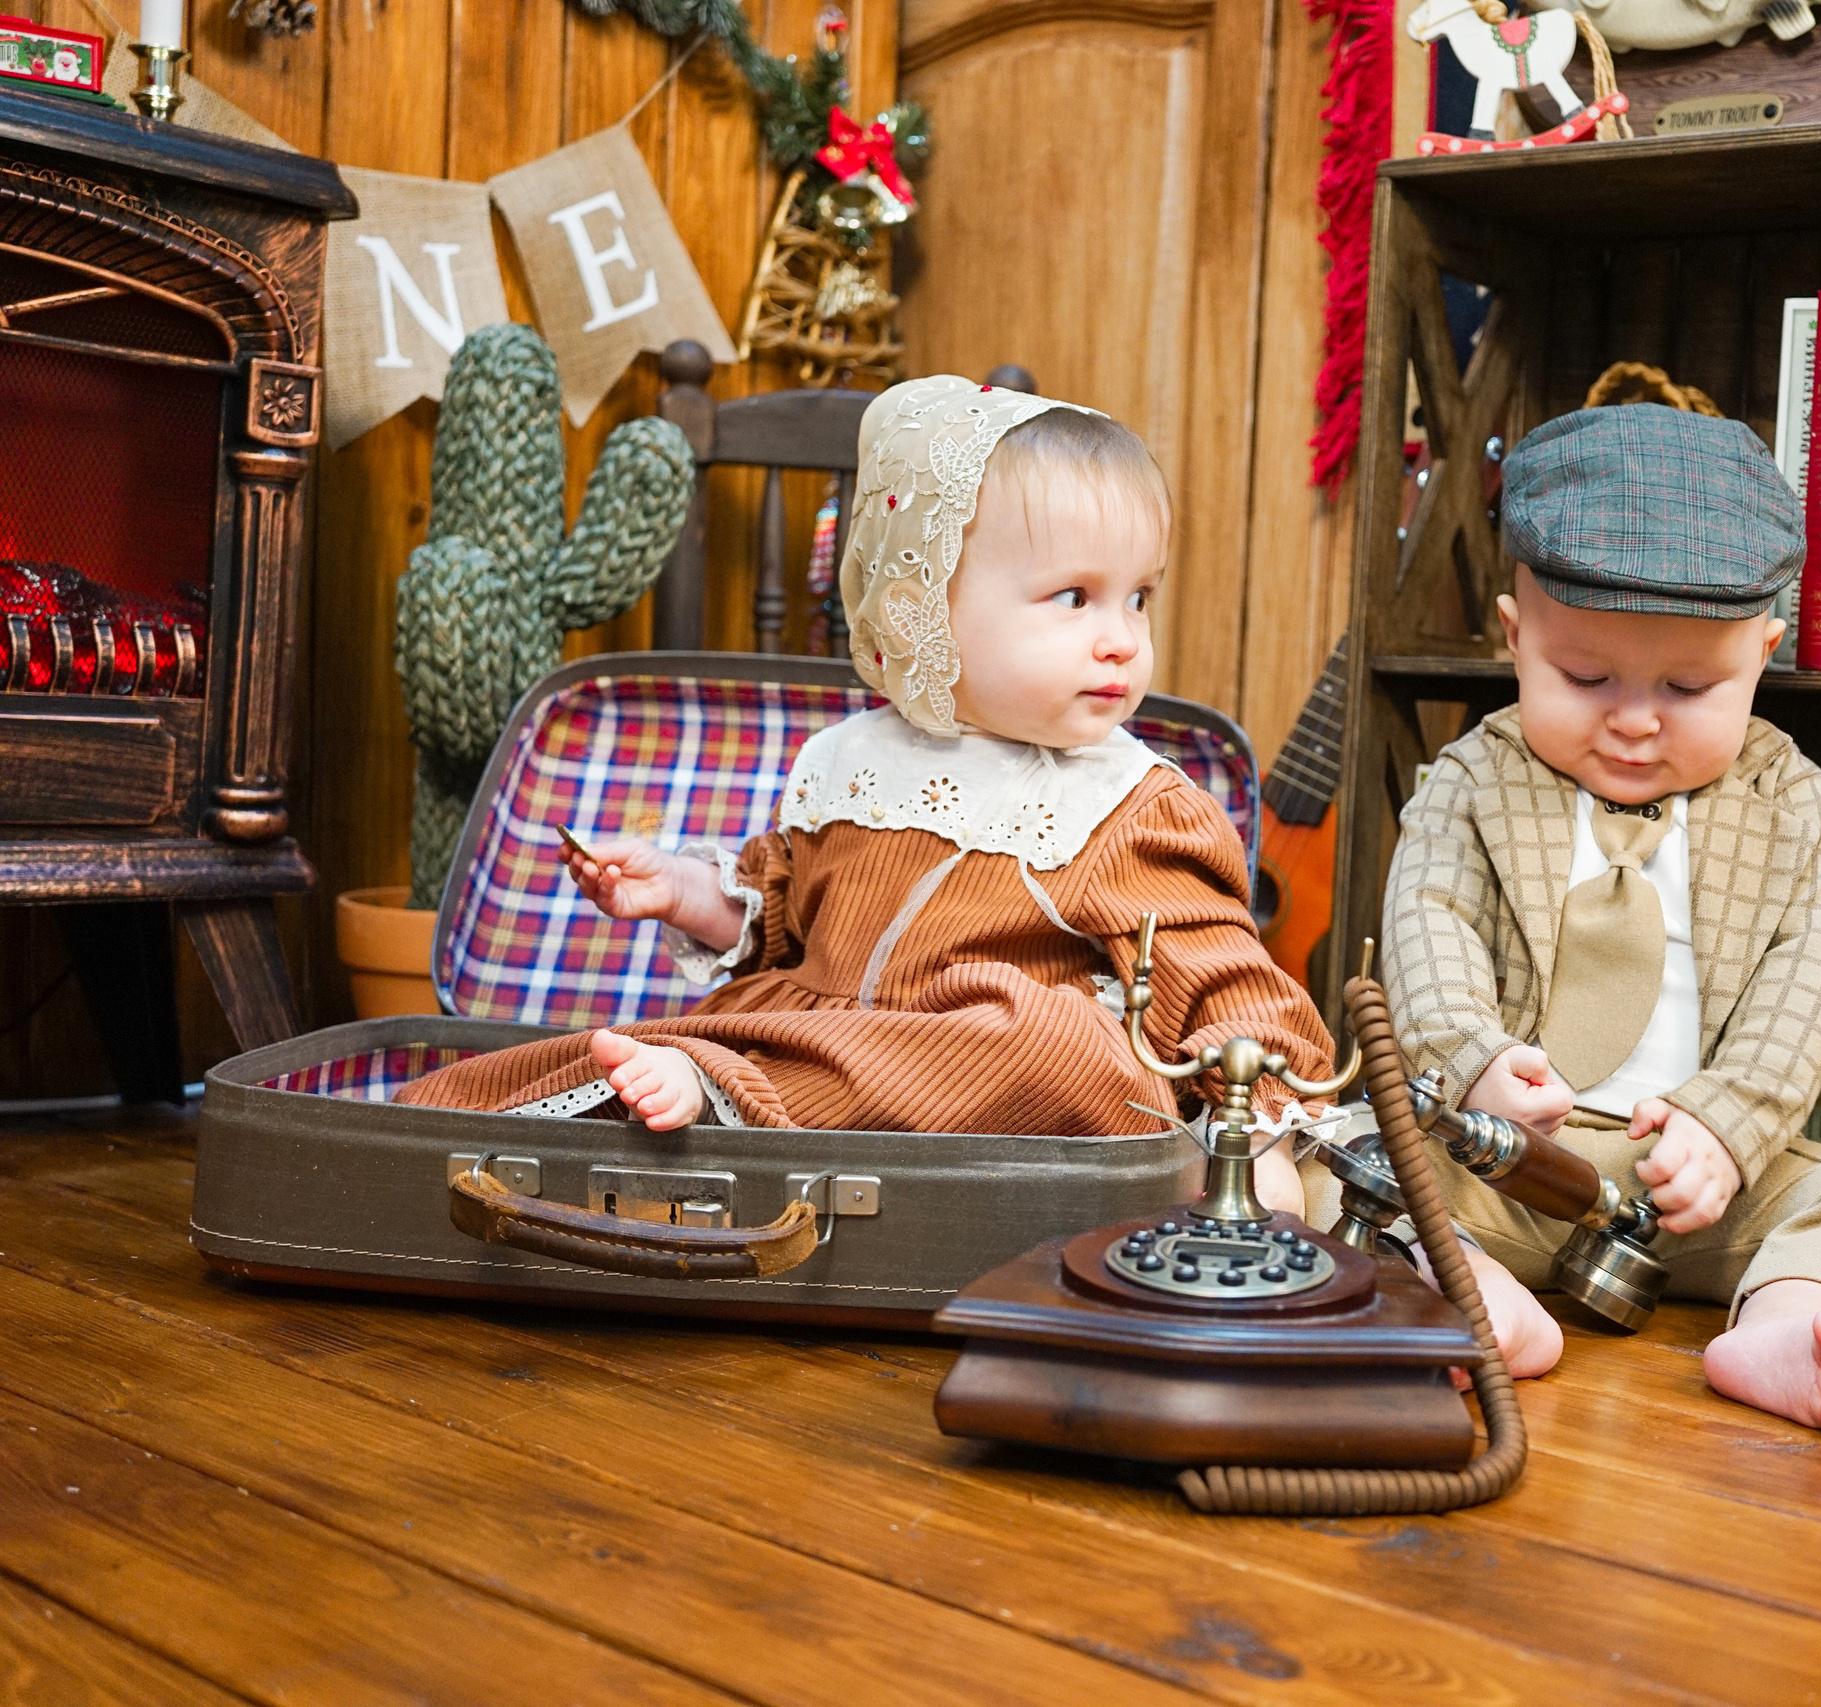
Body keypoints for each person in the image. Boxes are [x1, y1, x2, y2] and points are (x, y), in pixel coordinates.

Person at [398, 375, 1333, 1221]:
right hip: (812, 1045)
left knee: (1062, 1043)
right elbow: (786, 920)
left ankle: (722, 1093)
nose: (1121, 638)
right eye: (1074, 597)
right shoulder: (851, 760)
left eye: (1139, 598)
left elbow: (1226, 982)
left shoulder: (1126, 802)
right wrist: (682, 890)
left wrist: (1265, 1139)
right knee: (624, 1042)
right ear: (924, 606)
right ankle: (489, 1120)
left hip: (979, 1086)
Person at [1340, 404, 1821, 1428]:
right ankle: (1462, 1284)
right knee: (1328, 1160)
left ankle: (1790, 1317)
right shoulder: (1472, 783)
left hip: (1689, 1186)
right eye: (1585, 677)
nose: (1632, 718)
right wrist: (1474, 1061)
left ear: (1763, 655)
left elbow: (1804, 983)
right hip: (1498, 1160)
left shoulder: (1790, 804)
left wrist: (1728, 1125)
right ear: (1515, 637)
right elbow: (1428, 927)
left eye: (1689, 686)